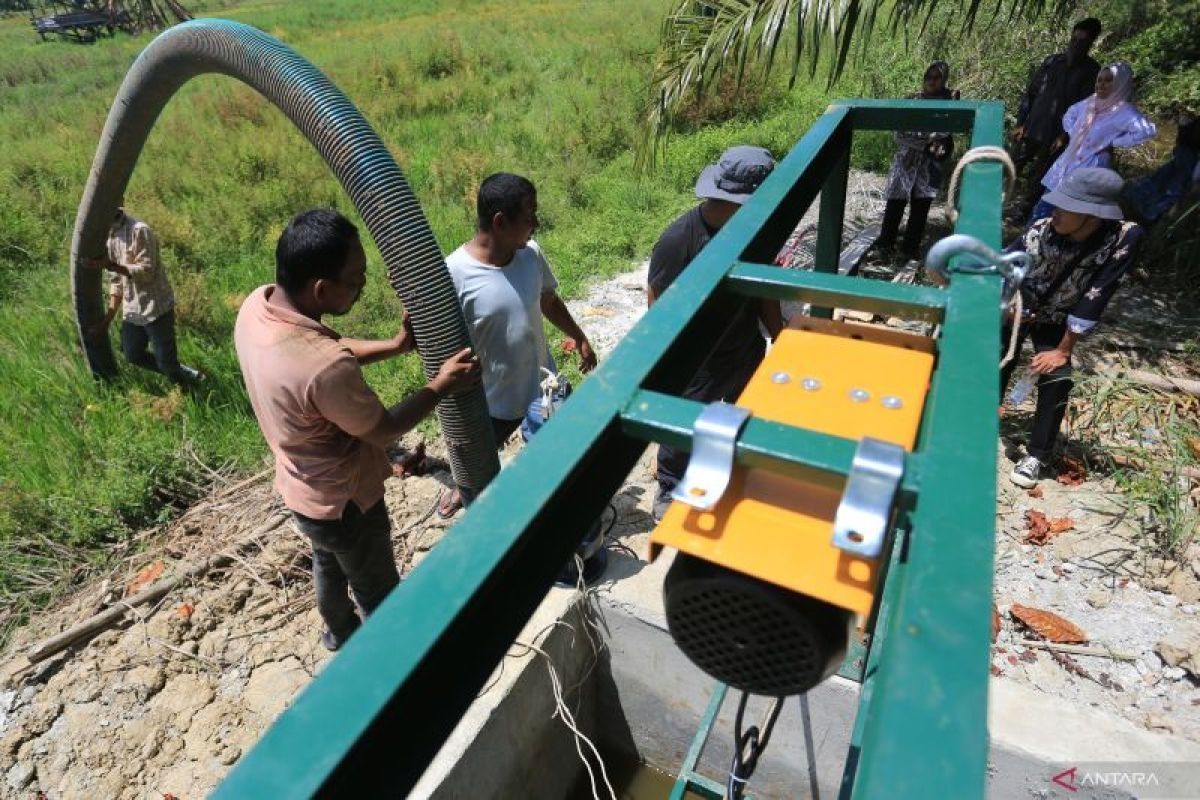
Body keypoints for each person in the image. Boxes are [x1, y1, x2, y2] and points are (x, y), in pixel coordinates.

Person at [234, 209, 481, 650]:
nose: (363, 286)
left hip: (303, 493)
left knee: (327, 563)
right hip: (347, 504)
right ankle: (395, 665)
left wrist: (396, 346)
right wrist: (441, 384)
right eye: (357, 279)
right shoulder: (322, 367)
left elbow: (328, 350)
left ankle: (339, 631)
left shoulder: (260, 306)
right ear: (321, 289)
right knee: (378, 591)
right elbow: (385, 430)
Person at [438, 172, 597, 518]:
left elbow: (549, 301)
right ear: (499, 222)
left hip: (542, 386)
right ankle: (461, 486)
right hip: (491, 399)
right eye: (529, 217)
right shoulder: (454, 275)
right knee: (478, 463)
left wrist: (579, 336)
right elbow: (437, 343)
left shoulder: (530, 254)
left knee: (555, 455)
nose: (536, 224)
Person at [648, 145, 784, 521]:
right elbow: (657, 301)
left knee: (745, 411)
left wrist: (780, 335)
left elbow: (763, 289)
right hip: (699, 358)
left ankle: (735, 468)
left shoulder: (753, 232)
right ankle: (671, 486)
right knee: (685, 425)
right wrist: (667, 360)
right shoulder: (680, 240)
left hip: (743, 344)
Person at [1001, 168, 1143, 488]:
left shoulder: (1122, 238)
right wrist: (1009, 300)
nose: (1056, 211)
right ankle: (980, 419)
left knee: (1058, 378)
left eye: (1066, 207)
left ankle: (1037, 454)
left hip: (1059, 316)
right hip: (1020, 306)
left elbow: (1098, 294)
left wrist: (1063, 350)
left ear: (1092, 215)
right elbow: (1005, 263)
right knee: (995, 357)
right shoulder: (1041, 229)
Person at [83, 208, 202, 384]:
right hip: (133, 310)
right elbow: (116, 282)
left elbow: (146, 271)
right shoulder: (109, 237)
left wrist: (110, 265)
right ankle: (184, 373)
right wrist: (106, 321)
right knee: (132, 354)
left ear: (120, 201)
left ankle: (189, 389)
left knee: (166, 362)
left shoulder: (139, 230)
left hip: (156, 307)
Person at [1028, 61, 1157, 223]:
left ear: (1120, 84)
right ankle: (1028, 241)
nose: (1102, 84)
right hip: (1067, 162)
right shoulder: (1090, 102)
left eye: (1109, 80)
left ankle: (1038, 243)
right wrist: (1074, 132)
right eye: (1100, 80)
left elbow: (1147, 130)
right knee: (1043, 207)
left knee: (1064, 215)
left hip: (1091, 168)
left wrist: (1115, 142)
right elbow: (1069, 114)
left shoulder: (1124, 111)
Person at [1010, 18, 1103, 222]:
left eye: (1082, 41)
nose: (1076, 44)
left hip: (1057, 136)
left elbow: (1085, 110)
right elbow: (1032, 92)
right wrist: (1020, 122)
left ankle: (1022, 213)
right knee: (1011, 164)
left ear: (1091, 43)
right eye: (1074, 38)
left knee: (1041, 175)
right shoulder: (1052, 62)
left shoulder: (1092, 72)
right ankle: (994, 200)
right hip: (1032, 125)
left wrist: (1064, 136)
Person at [875, 61, 958, 260]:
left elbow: (945, 132)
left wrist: (926, 141)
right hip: (905, 161)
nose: (931, 81)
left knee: (920, 210)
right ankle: (885, 245)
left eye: (936, 78)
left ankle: (909, 250)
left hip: (930, 165)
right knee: (895, 204)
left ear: (944, 80)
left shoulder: (950, 103)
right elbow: (898, 134)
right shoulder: (912, 99)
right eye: (928, 77)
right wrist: (926, 142)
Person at [1122, 112, 1200, 225]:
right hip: (1187, 154)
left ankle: (1145, 213)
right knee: (1167, 184)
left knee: (1170, 185)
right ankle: (1145, 213)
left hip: (1187, 157)